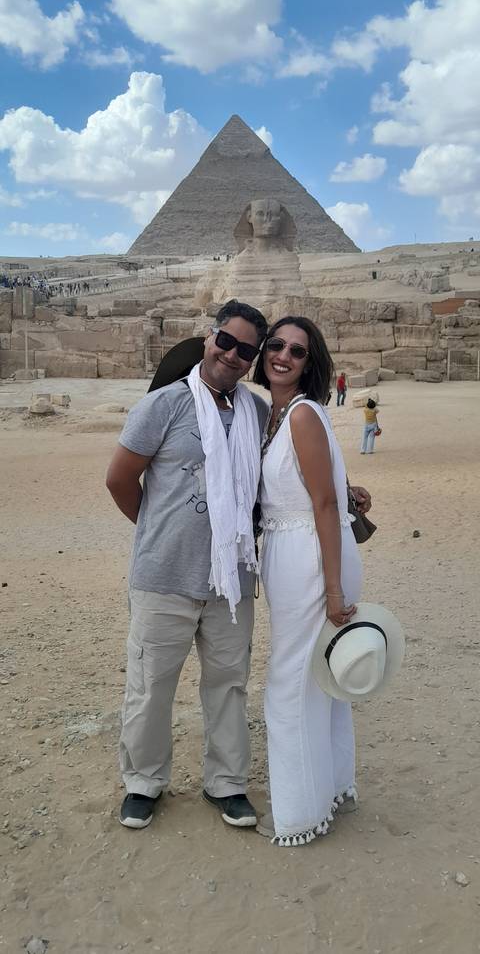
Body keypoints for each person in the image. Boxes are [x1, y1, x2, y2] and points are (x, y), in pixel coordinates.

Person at [106, 300, 269, 831]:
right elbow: (119, 480)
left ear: (254, 359)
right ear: (209, 336)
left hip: (232, 581)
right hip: (166, 577)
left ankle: (227, 782)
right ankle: (143, 781)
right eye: (226, 340)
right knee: (152, 685)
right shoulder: (165, 404)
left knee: (229, 684)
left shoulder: (258, 413)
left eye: (246, 350)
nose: (232, 354)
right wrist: (160, 531)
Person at [253, 316, 370, 846]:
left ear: (309, 362)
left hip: (309, 558)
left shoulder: (299, 415)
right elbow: (320, 486)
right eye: (275, 345)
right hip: (294, 551)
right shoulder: (276, 413)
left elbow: (324, 502)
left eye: (297, 351)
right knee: (322, 678)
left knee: (289, 683)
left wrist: (334, 590)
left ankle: (299, 815)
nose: (283, 355)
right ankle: (332, 788)